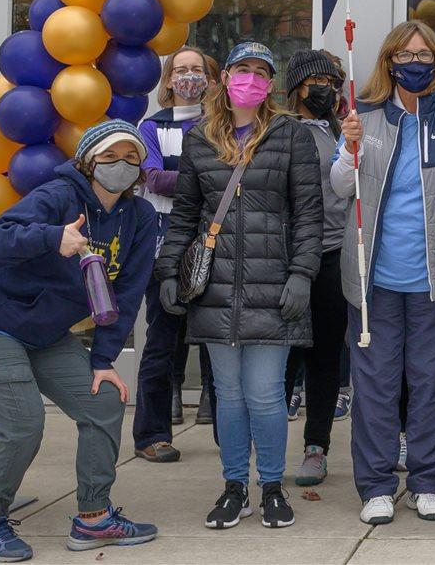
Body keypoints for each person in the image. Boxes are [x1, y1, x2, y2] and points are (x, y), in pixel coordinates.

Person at [0, 120, 161, 561]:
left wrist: (104, 359)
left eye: (131, 157)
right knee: (23, 424)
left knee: (103, 401)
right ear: (87, 161)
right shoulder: (58, 196)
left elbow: (126, 294)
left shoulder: (139, 217)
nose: (120, 165)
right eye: (109, 156)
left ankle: (94, 518)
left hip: (43, 332)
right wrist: (51, 237)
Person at [157, 41, 324, 530]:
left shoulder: (291, 135)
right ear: (224, 77)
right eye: (242, 69)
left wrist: (302, 273)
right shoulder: (199, 139)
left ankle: (271, 487)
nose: (250, 79)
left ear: (271, 83)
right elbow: (186, 214)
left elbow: (309, 214)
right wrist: (169, 269)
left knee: (267, 393)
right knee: (228, 395)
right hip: (216, 285)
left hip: (274, 285)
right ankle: (235, 486)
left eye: (260, 72)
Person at [333, 21, 435, 526]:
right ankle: (377, 486)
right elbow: (341, 187)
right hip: (373, 280)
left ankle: (427, 482)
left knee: (431, 384)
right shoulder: (364, 117)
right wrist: (347, 147)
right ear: (388, 61)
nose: (415, 62)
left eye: (424, 54)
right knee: (376, 387)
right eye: (405, 54)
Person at [133, 47, 219, 462]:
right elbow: (151, 177)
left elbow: (171, 179)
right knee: (161, 341)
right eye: (181, 70)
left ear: (211, 78)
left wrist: (180, 176)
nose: (189, 77)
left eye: (197, 70)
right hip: (164, 246)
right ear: (168, 81)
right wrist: (207, 176)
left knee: (220, 340)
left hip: (217, 242)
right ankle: (152, 434)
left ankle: (227, 431)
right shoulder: (151, 127)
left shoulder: (222, 124)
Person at [283, 49, 353, 488]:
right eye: (316, 81)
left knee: (325, 357)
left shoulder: (342, 131)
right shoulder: (278, 131)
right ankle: (267, 447)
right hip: (287, 260)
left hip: (333, 255)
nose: (325, 88)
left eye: (332, 80)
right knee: (281, 357)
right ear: (297, 88)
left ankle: (316, 447)